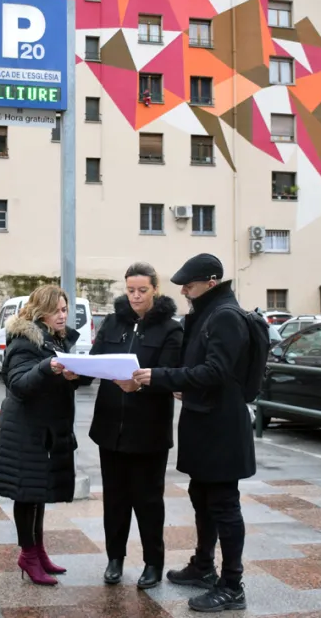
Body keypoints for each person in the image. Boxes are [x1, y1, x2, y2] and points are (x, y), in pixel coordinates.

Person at [132, 253, 255, 613]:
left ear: (211, 282)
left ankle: (232, 585)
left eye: (190, 284)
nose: (184, 290)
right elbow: (198, 368)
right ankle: (204, 565)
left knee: (224, 505)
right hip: (204, 420)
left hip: (222, 427)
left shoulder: (226, 316)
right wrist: (180, 381)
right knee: (202, 497)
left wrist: (161, 376)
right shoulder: (207, 314)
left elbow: (215, 371)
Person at [87, 262, 183, 589]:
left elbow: (171, 373)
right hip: (109, 428)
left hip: (149, 432)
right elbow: (96, 361)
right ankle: (115, 559)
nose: (136, 296)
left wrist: (141, 384)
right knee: (114, 499)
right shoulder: (114, 323)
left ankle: (153, 563)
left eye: (142, 290)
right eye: (131, 290)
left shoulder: (170, 329)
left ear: (155, 289)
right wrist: (74, 370)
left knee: (148, 501)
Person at [0, 284, 83, 586]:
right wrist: (49, 367)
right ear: (41, 311)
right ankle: (28, 555)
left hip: (44, 430)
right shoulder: (24, 341)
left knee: (38, 493)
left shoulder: (54, 340)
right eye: (57, 310)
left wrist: (73, 374)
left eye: (65, 309)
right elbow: (18, 383)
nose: (63, 315)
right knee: (27, 493)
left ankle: (38, 550)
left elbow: (54, 381)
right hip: (25, 431)